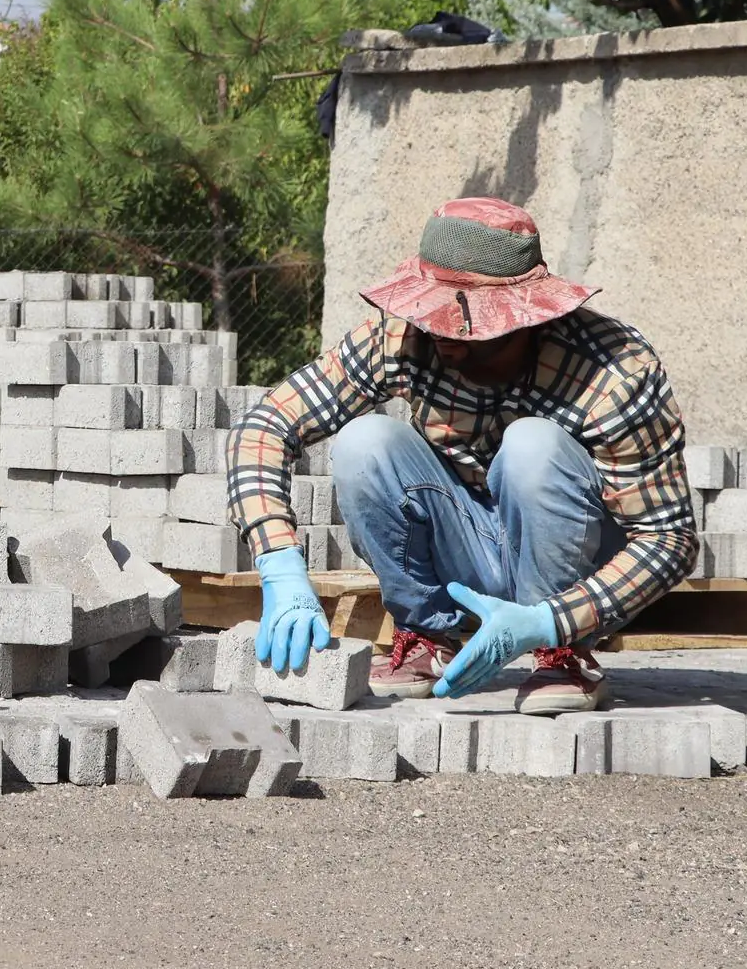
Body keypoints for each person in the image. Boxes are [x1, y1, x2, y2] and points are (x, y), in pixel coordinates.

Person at [225, 196, 698, 714]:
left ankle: (559, 653)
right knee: (366, 442)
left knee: (532, 445)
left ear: (528, 318)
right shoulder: (406, 339)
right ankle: (428, 637)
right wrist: (279, 563)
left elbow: (669, 540)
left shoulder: (613, 369)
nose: (447, 343)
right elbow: (266, 424)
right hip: (468, 550)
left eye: (471, 332)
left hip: (576, 562)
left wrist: (552, 620)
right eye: (437, 323)